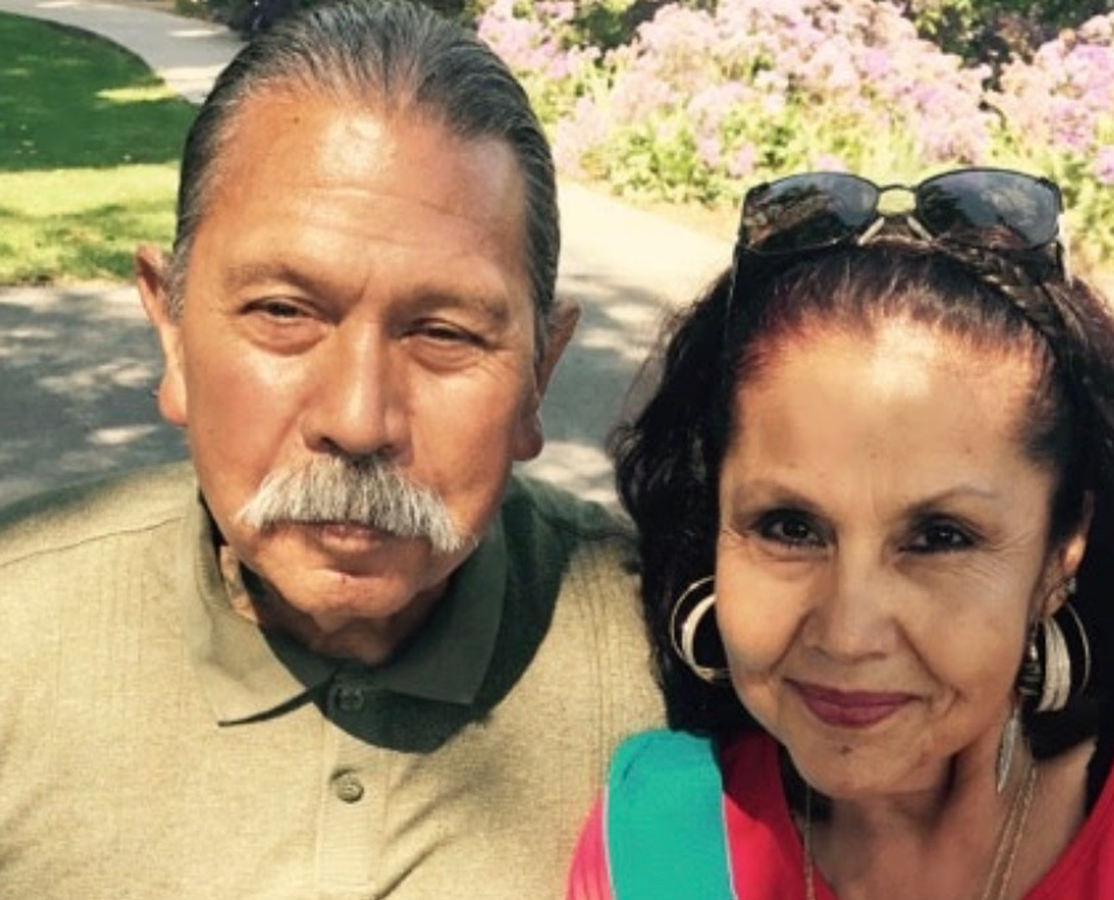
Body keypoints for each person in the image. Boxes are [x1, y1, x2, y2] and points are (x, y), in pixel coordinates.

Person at [0, 2, 662, 897]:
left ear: (538, 375)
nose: (357, 420)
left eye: (444, 333)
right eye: (284, 313)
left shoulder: (681, 671)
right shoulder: (16, 636)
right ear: (172, 329)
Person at [568, 168, 1114, 899]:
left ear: (1062, 551)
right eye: (789, 528)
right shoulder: (654, 842)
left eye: (940, 537)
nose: (848, 634)